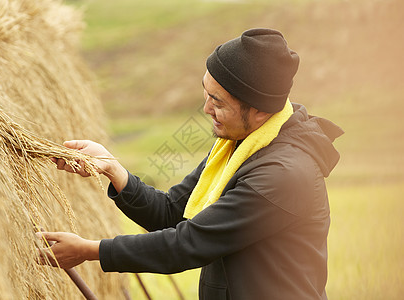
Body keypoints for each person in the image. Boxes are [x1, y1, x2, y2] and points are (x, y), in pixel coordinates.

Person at [38, 28, 343, 299]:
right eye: (207, 94)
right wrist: (113, 170)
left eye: (218, 102)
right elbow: (174, 213)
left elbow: (188, 243)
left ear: (260, 111)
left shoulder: (284, 175)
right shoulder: (235, 147)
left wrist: (91, 251)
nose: (206, 108)